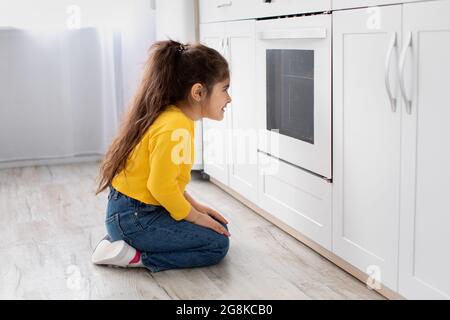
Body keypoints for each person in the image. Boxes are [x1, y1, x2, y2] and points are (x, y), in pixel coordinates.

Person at [91, 40, 232, 272]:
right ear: (198, 92)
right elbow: (161, 187)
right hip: (135, 218)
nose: (229, 98)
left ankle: (119, 242)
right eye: (225, 89)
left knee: (217, 225)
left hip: (135, 212)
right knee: (216, 244)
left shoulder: (178, 119)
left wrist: (196, 207)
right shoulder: (174, 126)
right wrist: (194, 218)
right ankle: (136, 256)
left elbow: (171, 181)